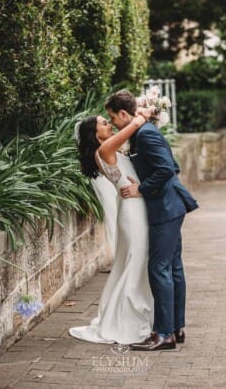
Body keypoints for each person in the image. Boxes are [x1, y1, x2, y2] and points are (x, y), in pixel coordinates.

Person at [105, 89, 199, 351]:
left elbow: (168, 169)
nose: (112, 122)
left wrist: (141, 189)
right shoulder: (142, 132)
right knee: (173, 267)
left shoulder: (145, 135)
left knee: (159, 268)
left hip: (165, 209)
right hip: (170, 206)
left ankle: (164, 334)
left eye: (113, 117)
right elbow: (171, 165)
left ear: (124, 114)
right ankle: (176, 328)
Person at [69, 111, 154, 345]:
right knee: (135, 263)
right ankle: (128, 320)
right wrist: (140, 118)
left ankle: (139, 314)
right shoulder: (103, 150)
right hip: (132, 213)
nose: (109, 125)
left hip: (136, 208)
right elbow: (133, 128)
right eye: (104, 123)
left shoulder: (114, 149)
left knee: (135, 263)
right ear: (94, 135)